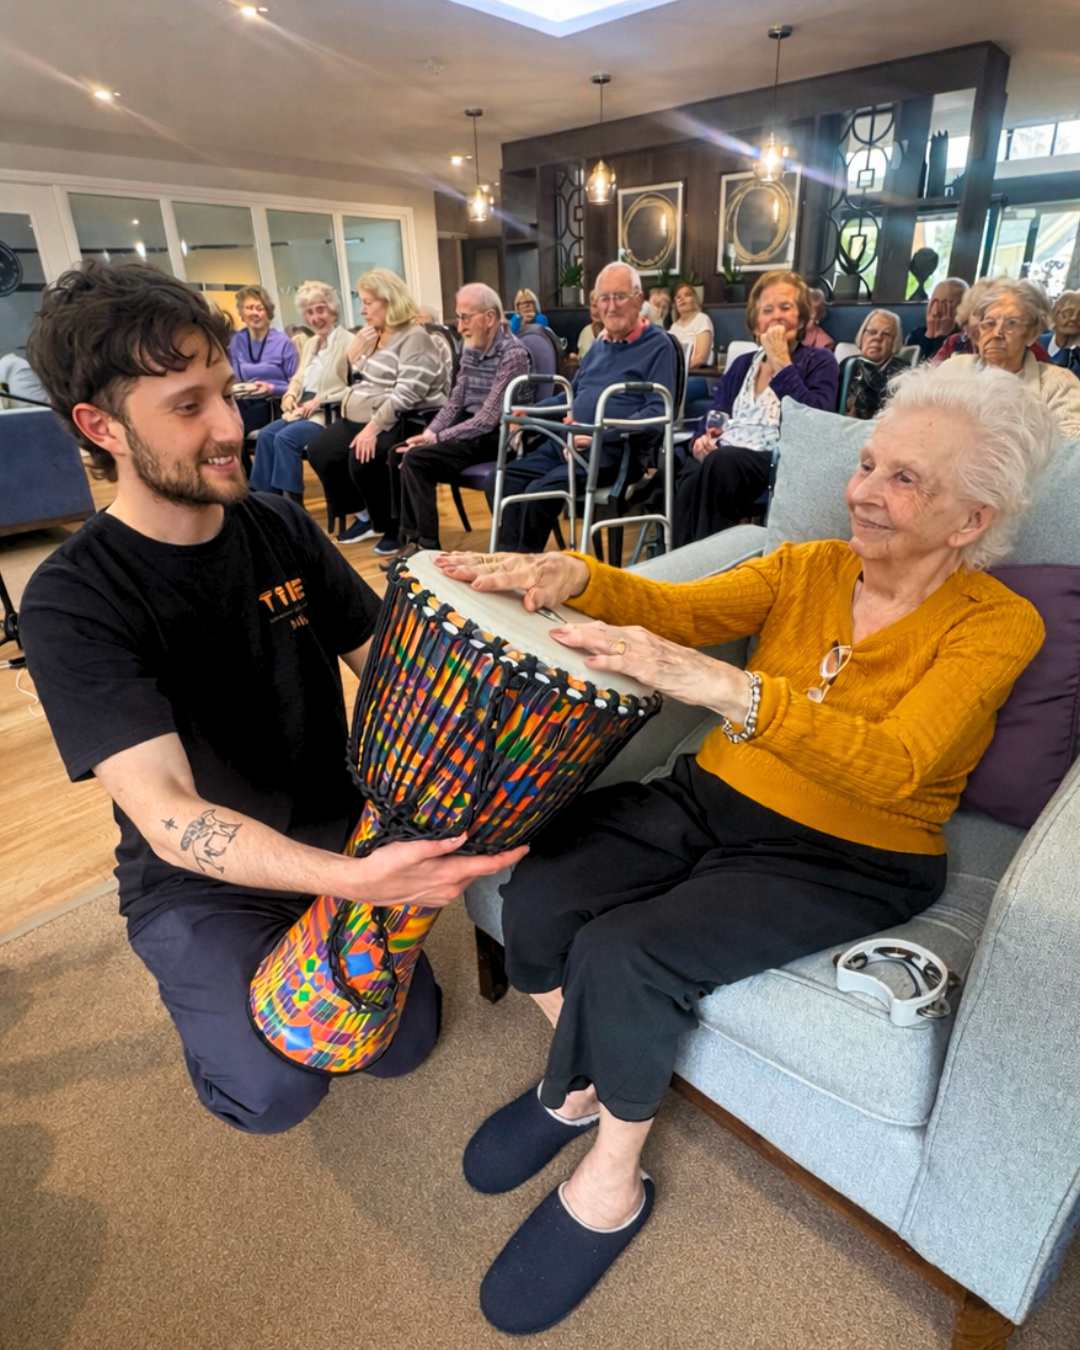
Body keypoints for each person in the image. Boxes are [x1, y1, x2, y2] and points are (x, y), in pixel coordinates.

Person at [435, 359, 1060, 1335]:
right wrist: (581, 577)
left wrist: (731, 693)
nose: (863, 490)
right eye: (869, 464)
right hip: (717, 795)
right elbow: (688, 613)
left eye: (906, 480)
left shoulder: (998, 624)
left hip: (854, 852)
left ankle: (613, 1181)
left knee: (627, 951)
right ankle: (585, 1082)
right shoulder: (809, 567)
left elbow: (897, 764)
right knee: (547, 878)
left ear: (971, 520)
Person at [18, 261, 525, 1136]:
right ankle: (213, 1026)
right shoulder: (72, 597)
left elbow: (396, 671)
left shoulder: (280, 526)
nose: (231, 427)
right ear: (99, 427)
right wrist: (359, 881)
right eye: (187, 406)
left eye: (224, 390)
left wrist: (501, 654)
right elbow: (170, 814)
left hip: (337, 832)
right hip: (198, 884)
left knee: (400, 1045)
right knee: (277, 1091)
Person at [496, 261, 677, 554]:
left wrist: (602, 434)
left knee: (536, 495)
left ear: (638, 300)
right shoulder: (599, 346)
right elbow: (571, 398)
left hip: (614, 451)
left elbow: (658, 413)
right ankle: (510, 564)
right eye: (604, 298)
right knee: (504, 480)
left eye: (620, 296)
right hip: (567, 442)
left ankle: (517, 574)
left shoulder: (659, 345)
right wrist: (529, 412)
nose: (611, 306)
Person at [674, 269, 839, 546]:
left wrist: (782, 363)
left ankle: (706, 565)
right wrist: (701, 440)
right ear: (756, 320)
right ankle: (681, 563)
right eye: (768, 309)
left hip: (777, 459)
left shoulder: (821, 361)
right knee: (681, 461)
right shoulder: (743, 364)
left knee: (719, 464)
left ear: (800, 317)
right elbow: (716, 412)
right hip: (725, 454)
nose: (776, 315)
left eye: (785, 307)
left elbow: (815, 423)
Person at [377, 284, 530, 568]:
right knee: (399, 452)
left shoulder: (514, 354)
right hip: (470, 430)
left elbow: (488, 419)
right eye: (458, 318)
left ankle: (426, 547)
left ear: (490, 317)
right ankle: (410, 539)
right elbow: (454, 403)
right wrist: (429, 433)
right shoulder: (471, 349)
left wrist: (437, 439)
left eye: (466, 317)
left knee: (418, 459)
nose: (460, 326)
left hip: (499, 436)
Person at [304, 269, 449, 545]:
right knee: (320, 450)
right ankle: (365, 515)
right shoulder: (374, 335)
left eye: (368, 302)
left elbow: (407, 392)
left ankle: (391, 526)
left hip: (402, 419)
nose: (362, 310)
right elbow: (353, 379)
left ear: (390, 300)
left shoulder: (413, 337)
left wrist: (372, 428)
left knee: (362, 458)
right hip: (359, 415)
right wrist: (350, 355)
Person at [247, 281, 351, 502]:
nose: (315, 318)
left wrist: (322, 400)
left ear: (333, 310)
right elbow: (298, 377)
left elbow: (355, 386)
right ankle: (266, 500)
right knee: (266, 435)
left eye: (320, 310)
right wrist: (290, 394)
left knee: (285, 439)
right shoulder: (311, 343)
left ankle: (293, 504)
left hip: (327, 414)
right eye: (310, 312)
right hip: (300, 410)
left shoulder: (348, 342)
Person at [952, 276, 1080, 438]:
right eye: (989, 323)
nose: (997, 333)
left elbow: (1073, 449)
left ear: (1031, 334)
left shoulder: (1060, 385)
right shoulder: (953, 369)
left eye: (1011, 323)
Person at [228, 285, 299, 437]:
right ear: (241, 314)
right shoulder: (237, 341)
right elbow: (232, 377)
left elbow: (297, 385)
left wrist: (271, 387)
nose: (255, 313)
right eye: (249, 308)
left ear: (268, 313)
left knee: (236, 426)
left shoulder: (283, 343)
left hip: (274, 404)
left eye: (260, 308)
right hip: (243, 402)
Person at [844, 308, 906, 419]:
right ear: (862, 336)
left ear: (894, 342)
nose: (877, 338)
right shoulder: (847, 365)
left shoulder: (904, 373)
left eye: (886, 334)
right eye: (872, 332)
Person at [905, 278, 969, 360]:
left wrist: (941, 336)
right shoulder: (916, 335)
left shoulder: (962, 341)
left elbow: (934, 368)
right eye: (934, 302)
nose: (936, 312)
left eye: (945, 305)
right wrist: (929, 334)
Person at [668, 281, 714, 368]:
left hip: (696, 372)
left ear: (695, 300)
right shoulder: (673, 327)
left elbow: (701, 358)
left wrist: (681, 373)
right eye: (678, 297)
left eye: (687, 295)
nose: (682, 298)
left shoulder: (702, 319)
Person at [1041, 290, 1080, 373]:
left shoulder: (1077, 356)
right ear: (1054, 313)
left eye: (1079, 315)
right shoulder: (1036, 342)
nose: (1073, 318)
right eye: (1067, 313)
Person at [576, 291, 603, 359]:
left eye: (599, 306)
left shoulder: (617, 334)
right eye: (593, 306)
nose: (596, 311)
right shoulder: (585, 332)